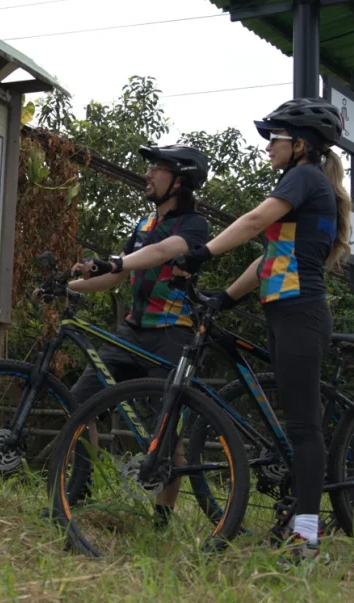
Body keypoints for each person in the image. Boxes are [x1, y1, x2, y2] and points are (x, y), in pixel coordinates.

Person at [175, 97, 352, 561]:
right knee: (297, 425)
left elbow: (254, 222)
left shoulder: (304, 176)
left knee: (303, 429)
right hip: (285, 312)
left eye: (274, 139)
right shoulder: (303, 180)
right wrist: (225, 298)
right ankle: (300, 522)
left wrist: (203, 253)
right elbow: (267, 259)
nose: (268, 147)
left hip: (300, 312)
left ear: (301, 145)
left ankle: (307, 538)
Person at [55, 143, 210, 521]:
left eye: (157, 168)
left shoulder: (193, 224)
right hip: (132, 331)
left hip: (173, 333)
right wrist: (68, 286)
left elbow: (162, 253)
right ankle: (79, 486)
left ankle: (162, 518)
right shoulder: (143, 226)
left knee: (167, 429)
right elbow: (117, 275)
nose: (148, 174)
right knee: (78, 402)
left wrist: (115, 260)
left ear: (179, 181)